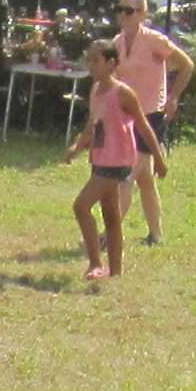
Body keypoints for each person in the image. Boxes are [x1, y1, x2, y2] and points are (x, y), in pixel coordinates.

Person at [67, 39, 166, 283]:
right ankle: (116, 272)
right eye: (89, 60)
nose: (91, 65)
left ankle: (95, 263)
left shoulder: (123, 93)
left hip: (118, 162)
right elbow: (92, 125)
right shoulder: (95, 90)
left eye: (96, 61)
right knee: (111, 216)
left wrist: (158, 158)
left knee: (81, 206)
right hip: (101, 158)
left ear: (111, 64)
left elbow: (143, 126)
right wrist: (78, 147)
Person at [111, 0, 194, 247]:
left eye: (129, 11)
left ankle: (109, 234)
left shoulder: (155, 40)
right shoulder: (117, 42)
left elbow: (186, 65)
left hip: (151, 116)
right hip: (127, 117)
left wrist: (173, 97)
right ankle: (156, 235)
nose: (123, 15)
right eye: (119, 9)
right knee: (145, 177)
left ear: (142, 14)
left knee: (126, 176)